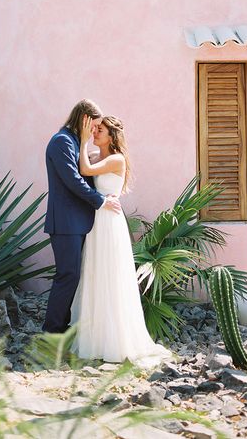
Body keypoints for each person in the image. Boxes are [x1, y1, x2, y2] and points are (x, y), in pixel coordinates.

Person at [70, 115, 171, 367]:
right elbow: (80, 169)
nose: (95, 134)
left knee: (111, 274)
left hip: (110, 221)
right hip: (97, 221)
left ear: (112, 135)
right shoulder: (97, 156)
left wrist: (83, 142)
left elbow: (85, 170)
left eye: (99, 130)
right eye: (93, 130)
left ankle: (115, 340)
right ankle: (96, 338)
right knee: (96, 273)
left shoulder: (116, 159)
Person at [42, 99, 122, 334]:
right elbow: (73, 181)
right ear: (84, 119)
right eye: (94, 125)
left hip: (80, 222)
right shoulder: (62, 142)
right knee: (67, 275)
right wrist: (101, 201)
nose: (95, 130)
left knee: (74, 276)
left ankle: (65, 327)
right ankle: (52, 332)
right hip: (65, 222)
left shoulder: (77, 142)